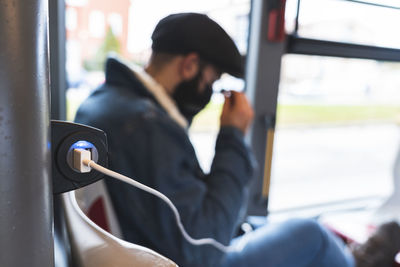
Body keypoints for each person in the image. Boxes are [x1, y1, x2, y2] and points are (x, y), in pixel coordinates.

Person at [74, 13, 400, 267]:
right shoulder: (145, 126)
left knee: (260, 223)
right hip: (192, 259)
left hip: (156, 245)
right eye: (212, 80)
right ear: (189, 66)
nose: (209, 92)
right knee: (311, 234)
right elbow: (208, 245)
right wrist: (232, 136)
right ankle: (354, 262)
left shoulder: (109, 102)